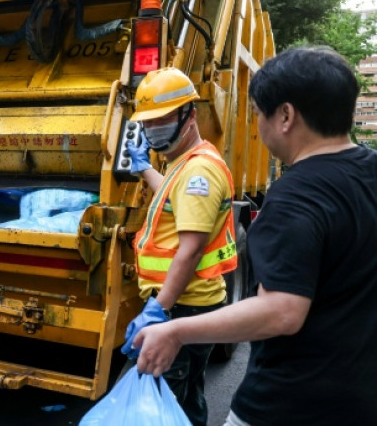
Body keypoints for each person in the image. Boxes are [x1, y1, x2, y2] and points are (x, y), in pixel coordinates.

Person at [133, 47, 377, 426]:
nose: (257, 125)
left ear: (286, 115)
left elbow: (282, 312)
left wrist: (174, 330)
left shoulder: (296, 197)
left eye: (258, 113)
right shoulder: (369, 171)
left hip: (290, 401)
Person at [121, 67, 237, 426]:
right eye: (148, 121)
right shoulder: (185, 163)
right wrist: (144, 168)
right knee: (186, 400)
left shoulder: (198, 172)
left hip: (183, 308)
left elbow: (191, 250)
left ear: (191, 115)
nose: (153, 128)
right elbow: (175, 199)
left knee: (164, 406)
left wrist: (159, 309)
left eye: (163, 119)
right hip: (187, 304)